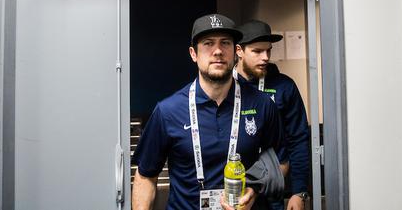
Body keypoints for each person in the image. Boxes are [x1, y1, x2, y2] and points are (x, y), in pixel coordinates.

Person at [132, 13, 286, 210]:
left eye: (225, 43)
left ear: (235, 51)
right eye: (208, 43)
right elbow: (145, 177)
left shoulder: (262, 105)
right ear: (193, 53)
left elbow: (280, 162)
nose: (218, 51)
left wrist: (254, 190)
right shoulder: (167, 111)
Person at [234, 20, 311, 210]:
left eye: (268, 50)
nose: (265, 57)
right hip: (231, 187)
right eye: (257, 51)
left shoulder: (284, 87)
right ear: (239, 51)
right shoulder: (224, 87)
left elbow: (298, 140)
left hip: (271, 191)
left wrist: (299, 191)